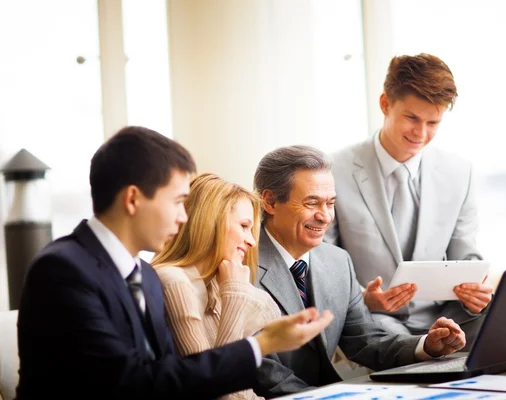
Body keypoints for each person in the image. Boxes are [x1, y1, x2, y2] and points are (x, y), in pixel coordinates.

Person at [16, 126, 333, 400]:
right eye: (178, 202)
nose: (185, 217)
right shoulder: (62, 270)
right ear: (133, 199)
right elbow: (128, 384)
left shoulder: (145, 277)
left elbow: (175, 378)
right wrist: (260, 345)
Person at [251, 145, 466, 398]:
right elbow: (258, 365)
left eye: (330, 203)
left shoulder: (337, 261)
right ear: (270, 201)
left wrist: (426, 345)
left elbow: (364, 340)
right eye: (312, 203)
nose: (325, 216)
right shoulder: (242, 265)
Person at [323, 53, 493, 346]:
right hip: (375, 318)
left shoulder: (459, 172)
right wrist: (363, 298)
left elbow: (465, 254)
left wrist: (475, 292)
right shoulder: (333, 170)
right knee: (388, 341)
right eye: (412, 118)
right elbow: (322, 263)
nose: (421, 133)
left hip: (449, 313)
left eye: (433, 122)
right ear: (385, 104)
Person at [152, 172, 281, 400]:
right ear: (210, 223)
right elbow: (219, 390)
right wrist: (234, 292)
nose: (251, 241)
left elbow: (244, 391)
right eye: (243, 226)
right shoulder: (174, 282)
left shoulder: (213, 283)